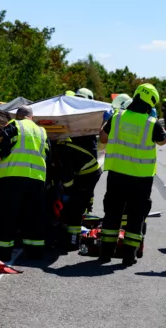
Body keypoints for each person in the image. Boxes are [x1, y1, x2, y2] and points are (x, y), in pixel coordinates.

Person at [99, 83, 166, 266]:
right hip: (141, 179)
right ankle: (129, 256)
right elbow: (162, 142)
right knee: (136, 217)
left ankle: (105, 253)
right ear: (151, 103)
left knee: (112, 213)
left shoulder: (117, 117)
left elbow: (103, 138)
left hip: (117, 174)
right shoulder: (151, 124)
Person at [0, 105, 50, 261]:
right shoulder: (42, 131)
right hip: (36, 178)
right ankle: (35, 251)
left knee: (7, 215)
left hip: (13, 177)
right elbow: (47, 154)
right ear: (31, 117)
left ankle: (3, 251)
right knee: (34, 216)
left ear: (17, 115)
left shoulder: (14, 126)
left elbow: (2, 149)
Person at [55, 137, 102, 250]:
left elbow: (67, 177)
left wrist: (67, 193)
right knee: (76, 202)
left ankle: (73, 241)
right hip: (83, 171)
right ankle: (71, 236)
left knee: (76, 207)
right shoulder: (61, 147)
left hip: (90, 173)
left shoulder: (61, 153)